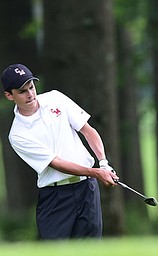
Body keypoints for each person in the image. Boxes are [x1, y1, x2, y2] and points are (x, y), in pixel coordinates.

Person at [1, 63, 119, 239]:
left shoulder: (55, 98)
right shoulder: (18, 134)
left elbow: (87, 130)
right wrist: (97, 173)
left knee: (91, 249)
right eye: (22, 91)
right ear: (9, 95)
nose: (30, 94)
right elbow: (56, 163)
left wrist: (103, 163)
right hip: (55, 197)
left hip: (86, 189)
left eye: (31, 87)